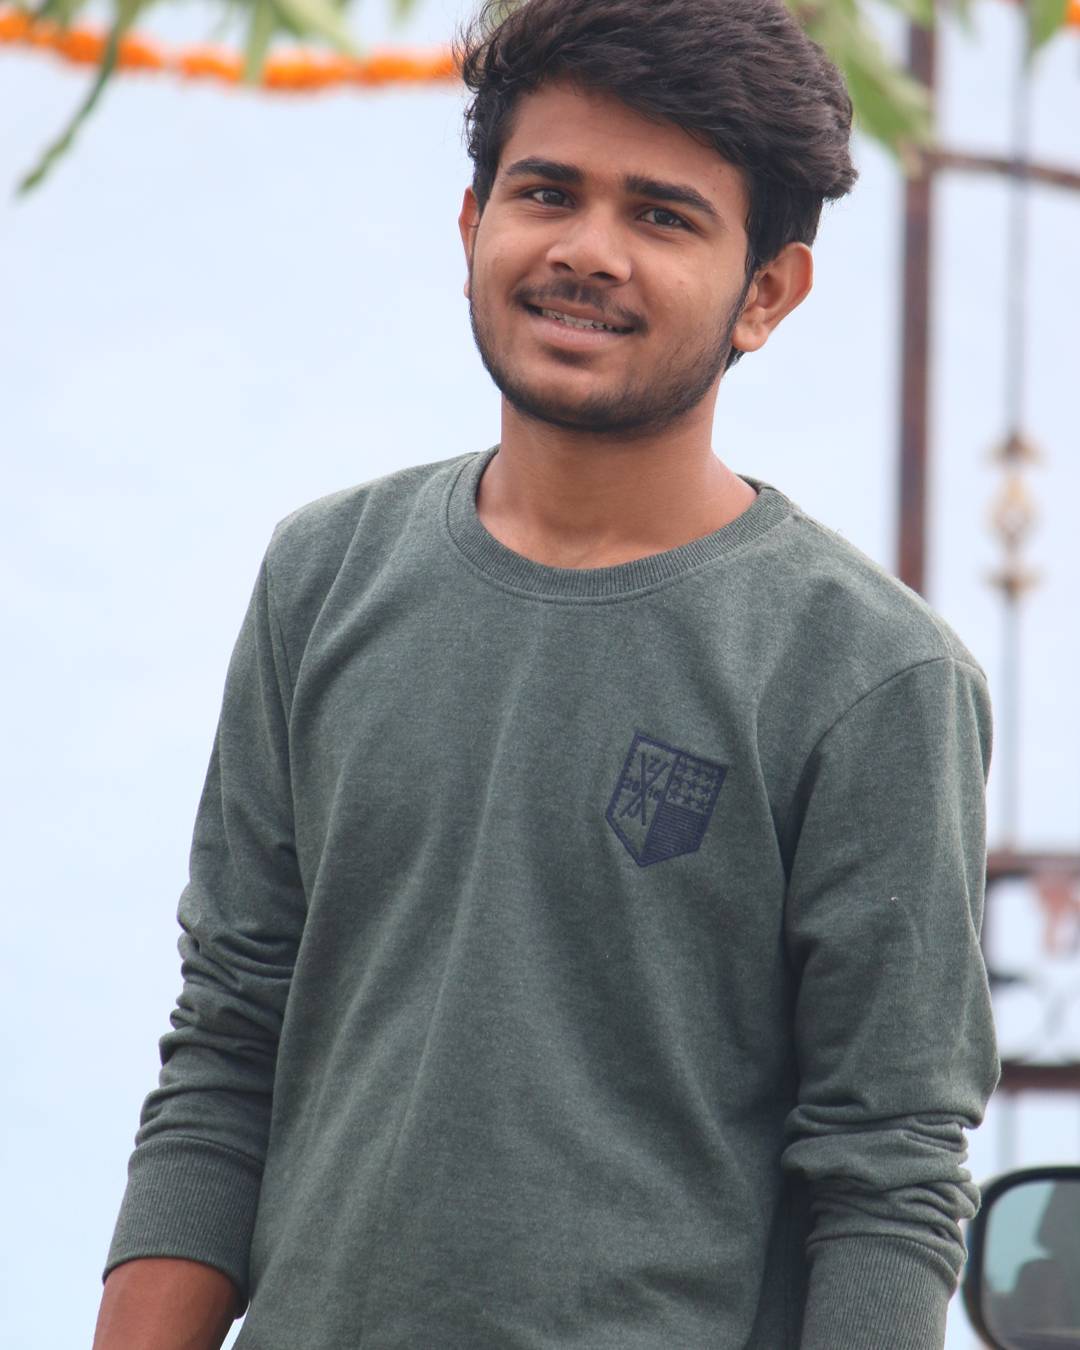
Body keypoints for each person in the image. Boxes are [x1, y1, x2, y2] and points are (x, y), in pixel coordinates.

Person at [93, 0, 1000, 1346]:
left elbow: (888, 1170)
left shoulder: (870, 673)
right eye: (547, 193)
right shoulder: (324, 576)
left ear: (767, 292)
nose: (587, 251)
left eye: (663, 216)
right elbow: (228, 1047)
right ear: (473, 227)